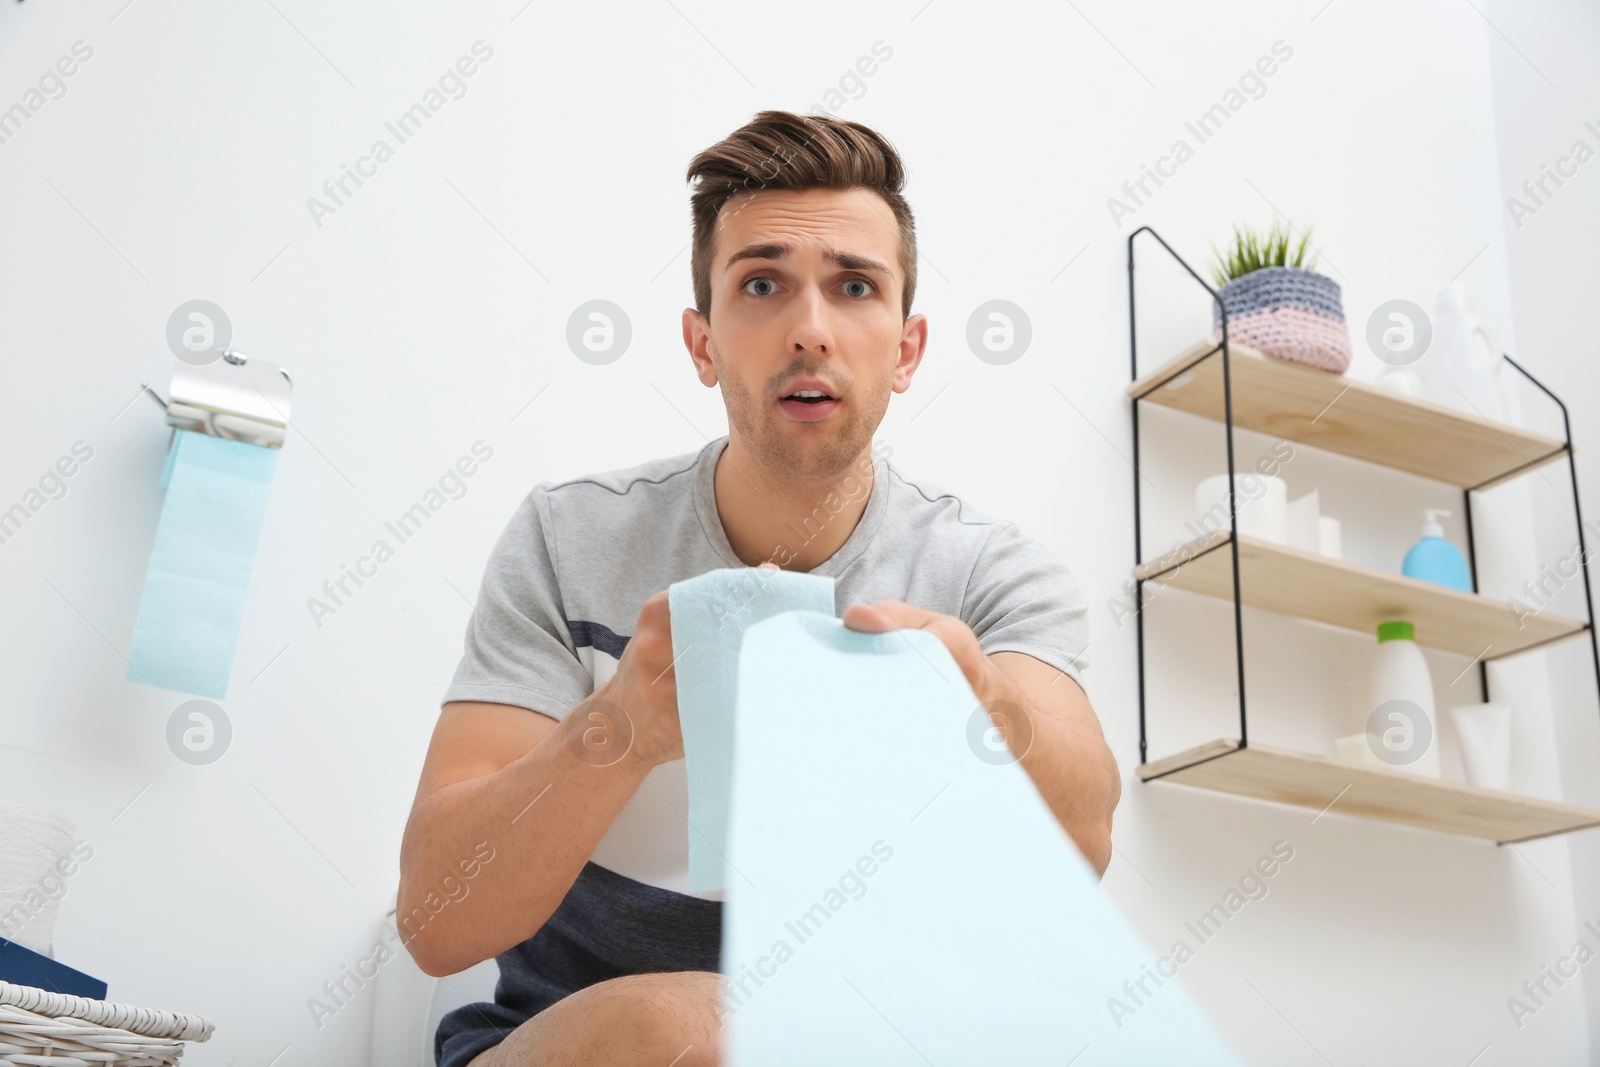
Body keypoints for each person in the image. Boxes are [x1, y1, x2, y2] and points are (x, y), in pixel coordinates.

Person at [399, 109, 1120, 1067]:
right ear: (703, 343)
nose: (811, 330)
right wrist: (619, 731)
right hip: (570, 1039)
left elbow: (1085, 846)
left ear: (906, 350)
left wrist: (980, 703)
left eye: (855, 286)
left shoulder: (987, 575)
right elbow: (436, 923)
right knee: (692, 1029)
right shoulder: (569, 539)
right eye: (763, 284)